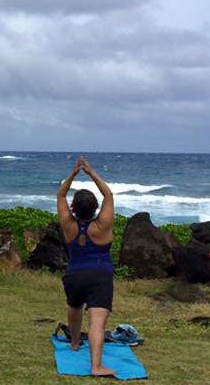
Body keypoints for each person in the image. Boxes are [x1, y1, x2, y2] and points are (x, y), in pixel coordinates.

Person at [56, 155, 115, 377]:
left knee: (74, 307)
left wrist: (73, 173)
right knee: (97, 323)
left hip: (74, 275)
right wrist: (90, 172)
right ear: (95, 208)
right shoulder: (103, 225)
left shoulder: (69, 225)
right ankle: (96, 366)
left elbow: (60, 194)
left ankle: (73, 343)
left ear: (74, 208)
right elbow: (108, 193)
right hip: (100, 275)